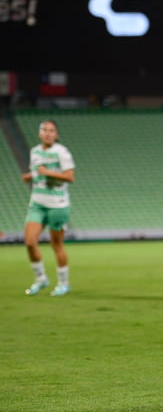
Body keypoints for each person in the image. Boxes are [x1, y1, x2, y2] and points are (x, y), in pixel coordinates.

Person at [22, 119, 76, 297]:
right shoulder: (35, 152)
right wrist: (32, 176)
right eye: (45, 130)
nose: (48, 133)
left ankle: (63, 283)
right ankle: (41, 279)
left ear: (56, 135)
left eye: (52, 131)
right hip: (37, 203)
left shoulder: (62, 152)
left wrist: (48, 173)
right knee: (30, 242)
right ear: (39, 133)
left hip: (57, 205)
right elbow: (39, 172)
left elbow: (70, 177)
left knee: (56, 244)